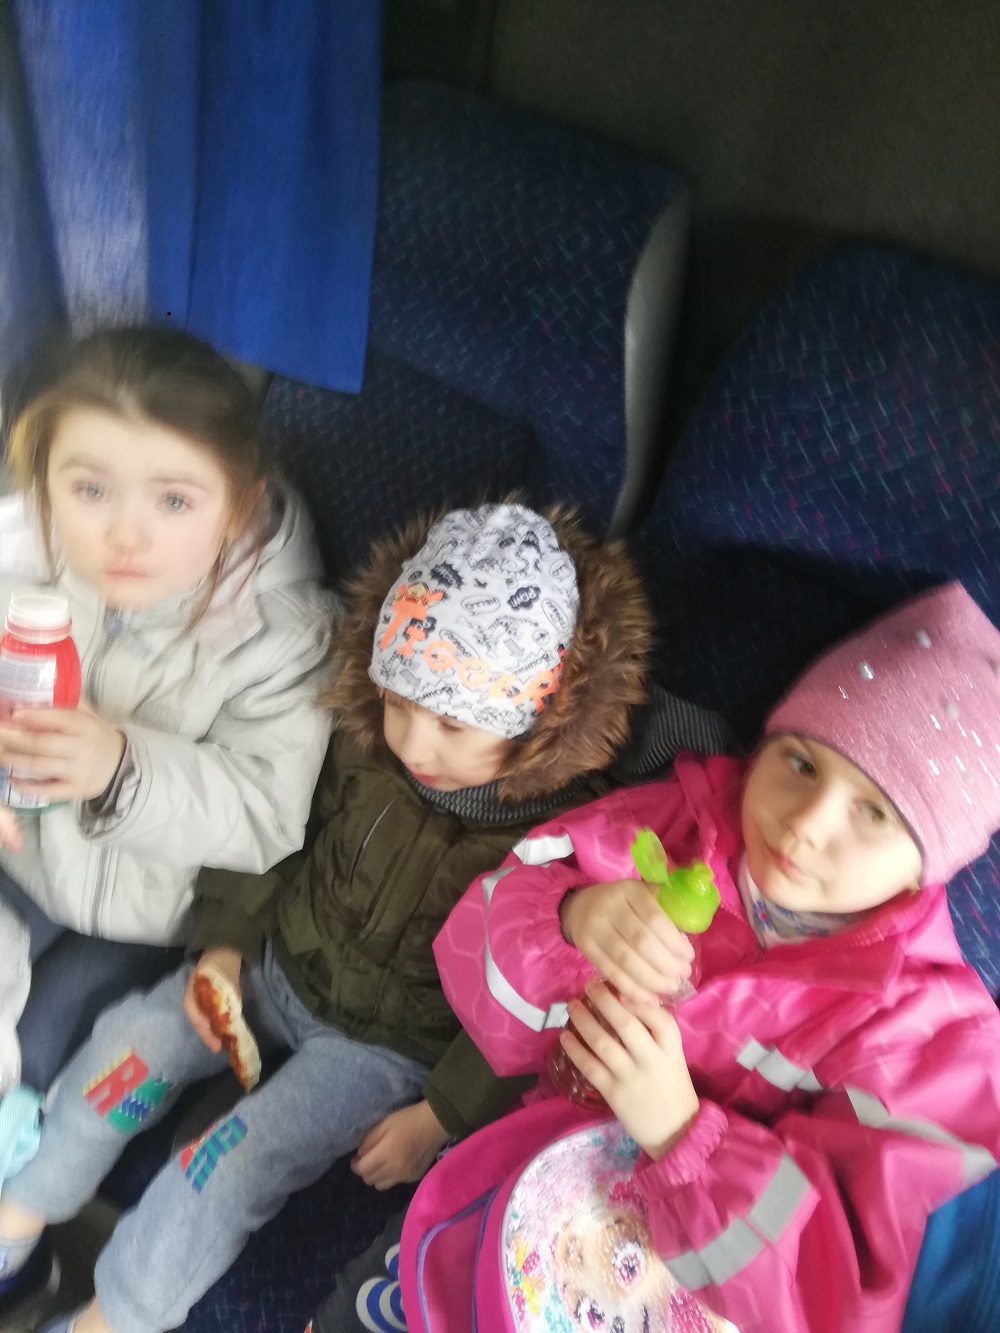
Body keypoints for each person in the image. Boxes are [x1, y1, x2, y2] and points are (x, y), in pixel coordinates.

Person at [0, 500, 679, 1333]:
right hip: (274, 963)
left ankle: (111, 1318)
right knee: (130, 1046)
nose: (414, 743)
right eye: (398, 702)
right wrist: (225, 945)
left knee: (230, 1166)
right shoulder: (360, 743)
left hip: (382, 1050)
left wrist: (441, 1115)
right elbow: (273, 833)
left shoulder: (558, 837)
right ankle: (19, 1219)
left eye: (451, 723)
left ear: (533, 718)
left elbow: (532, 997)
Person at [407, 580, 1000, 1333]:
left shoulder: (925, 1036)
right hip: (513, 1197)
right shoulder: (666, 832)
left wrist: (684, 1138)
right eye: (801, 763)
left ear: (927, 867)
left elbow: (840, 1294)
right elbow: (472, 960)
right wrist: (569, 919)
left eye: (874, 812)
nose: (806, 824)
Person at [0, 325, 336, 1103]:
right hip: (25, 862)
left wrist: (120, 767)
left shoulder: (279, 636)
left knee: (73, 1070)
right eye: (89, 490)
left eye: (175, 500)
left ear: (239, 506)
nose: (125, 534)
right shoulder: (25, 557)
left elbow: (266, 811)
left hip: (159, 914)